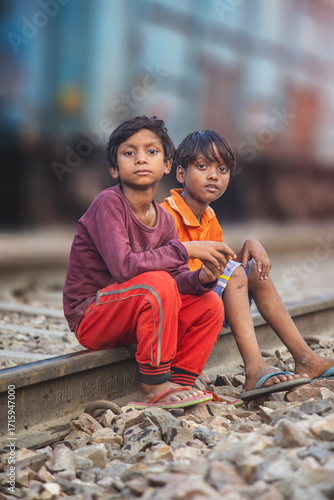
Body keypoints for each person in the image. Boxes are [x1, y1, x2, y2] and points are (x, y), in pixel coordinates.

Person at [63, 116, 229, 409]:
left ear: (166, 165)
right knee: (157, 284)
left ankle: (180, 382)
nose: (141, 159)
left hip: (135, 312)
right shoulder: (109, 204)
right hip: (92, 315)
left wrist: (203, 278)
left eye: (152, 151)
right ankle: (153, 387)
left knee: (211, 303)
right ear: (114, 168)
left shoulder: (164, 219)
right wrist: (187, 248)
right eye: (129, 153)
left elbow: (177, 279)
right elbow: (124, 267)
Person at [161, 129, 334, 400]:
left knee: (254, 271)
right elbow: (165, 275)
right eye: (203, 166)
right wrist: (232, 266)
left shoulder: (208, 216)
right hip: (177, 310)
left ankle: (305, 358)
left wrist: (247, 246)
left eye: (222, 169)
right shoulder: (165, 215)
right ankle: (254, 368)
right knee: (237, 272)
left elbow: (217, 269)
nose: (214, 176)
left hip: (198, 300)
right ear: (181, 174)